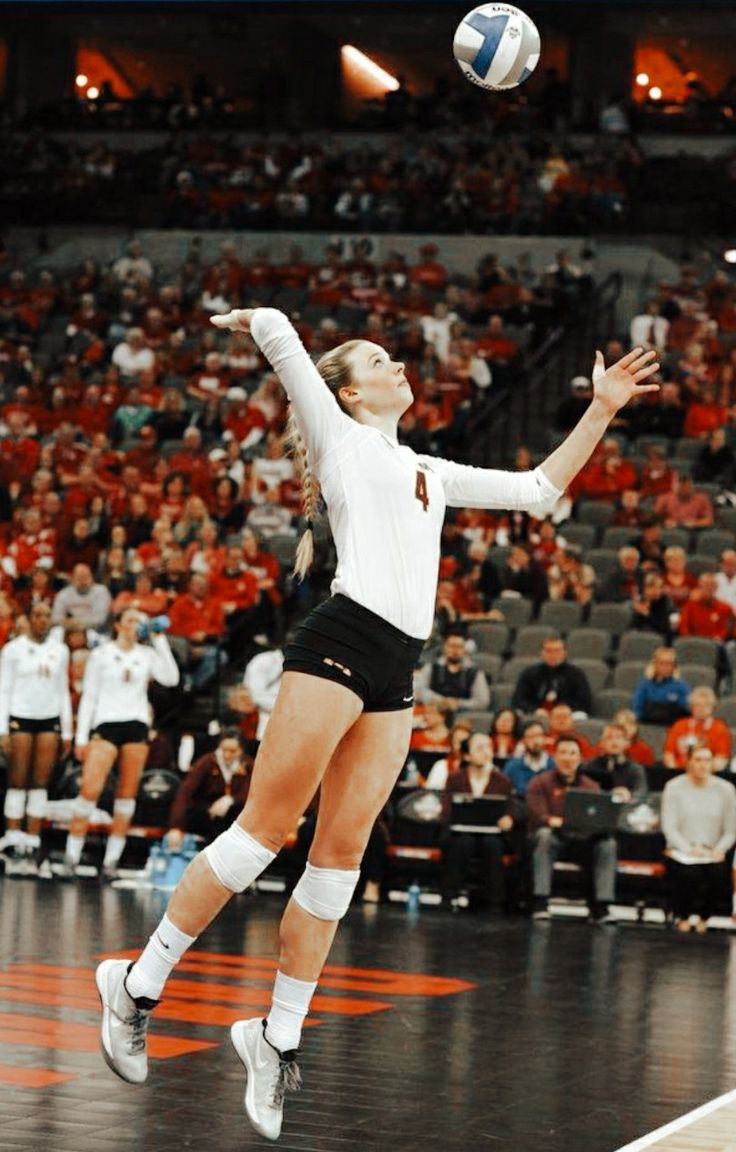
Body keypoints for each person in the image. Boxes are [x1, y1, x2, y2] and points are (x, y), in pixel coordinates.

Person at [94, 306, 658, 1140]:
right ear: (352, 392)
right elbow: (284, 343)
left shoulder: (429, 466)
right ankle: (137, 987)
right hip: (341, 640)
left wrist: (602, 407)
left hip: (398, 663)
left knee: (339, 861)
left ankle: (274, 1038)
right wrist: (262, 320)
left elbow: (541, 493)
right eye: (382, 360)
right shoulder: (340, 439)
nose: (399, 367)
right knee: (264, 833)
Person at [63, 608, 179, 878]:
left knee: (126, 795)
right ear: (117, 625)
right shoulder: (101, 655)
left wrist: (159, 639)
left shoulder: (146, 654)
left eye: (138, 621)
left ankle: (111, 862)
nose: (134, 625)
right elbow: (90, 696)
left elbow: (171, 679)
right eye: (129, 620)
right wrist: (81, 738)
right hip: (106, 724)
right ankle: (71, 856)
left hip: (135, 724)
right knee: (90, 790)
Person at [0, 602, 73, 875]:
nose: (42, 620)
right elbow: (3, 690)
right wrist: (2, 729)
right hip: (20, 716)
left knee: (40, 783)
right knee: (18, 781)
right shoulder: (12, 650)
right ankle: (13, 843)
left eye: (46, 616)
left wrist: (66, 731)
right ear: (29, 619)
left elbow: (63, 690)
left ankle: (32, 843)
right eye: (37, 615)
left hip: (49, 718)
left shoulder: (60, 650)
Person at [526, 736, 618, 924]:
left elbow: (597, 817)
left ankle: (602, 906)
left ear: (580, 758)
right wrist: (555, 821)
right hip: (554, 838)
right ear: (555, 756)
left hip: (583, 838)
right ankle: (541, 902)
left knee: (608, 844)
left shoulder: (591, 786)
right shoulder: (540, 782)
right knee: (544, 836)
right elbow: (538, 816)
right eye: (563, 753)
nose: (568, 758)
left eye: (572, 753)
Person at [661, 746, 736, 932]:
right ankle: (682, 915)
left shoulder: (726, 790)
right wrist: (688, 849)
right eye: (698, 759)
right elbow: (669, 827)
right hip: (682, 850)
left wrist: (720, 849)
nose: (703, 765)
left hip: (712, 849)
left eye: (707, 760)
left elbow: (730, 830)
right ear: (688, 762)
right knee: (688, 873)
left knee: (718, 872)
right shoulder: (674, 787)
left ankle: (704, 917)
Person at [441, 731, 514, 909]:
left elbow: (509, 809)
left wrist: (508, 819)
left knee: (493, 844)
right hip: (460, 831)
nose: (486, 752)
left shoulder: (502, 780)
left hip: (491, 832)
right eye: (480, 747)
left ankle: (494, 900)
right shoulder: (455, 778)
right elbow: (447, 809)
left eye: (489, 746)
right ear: (467, 755)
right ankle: (450, 896)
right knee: (463, 842)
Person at [167, 730, 252, 848]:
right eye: (224, 750)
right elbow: (185, 793)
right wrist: (176, 827)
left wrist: (230, 800)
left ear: (241, 750)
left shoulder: (248, 765)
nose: (227, 755)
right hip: (206, 817)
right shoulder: (206, 762)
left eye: (233, 751)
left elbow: (252, 792)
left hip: (235, 819)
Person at [511, 634, 593, 717]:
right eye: (548, 651)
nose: (553, 655)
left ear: (564, 653)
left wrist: (561, 712)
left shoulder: (576, 674)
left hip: (566, 715)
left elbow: (583, 702)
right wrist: (534, 710)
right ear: (542, 653)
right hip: (536, 714)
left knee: (580, 715)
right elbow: (519, 699)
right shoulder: (529, 673)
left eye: (557, 651)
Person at [414, 632, 490, 717]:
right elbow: (418, 690)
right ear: (444, 647)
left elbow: (482, 702)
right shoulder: (431, 667)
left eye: (459, 647)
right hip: (434, 714)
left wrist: (458, 703)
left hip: (462, 716)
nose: (455, 650)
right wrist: (442, 701)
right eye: (451, 646)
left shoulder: (475, 672)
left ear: (465, 649)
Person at [662, 686, 732, 774]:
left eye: (705, 705)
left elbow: (720, 760)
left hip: (707, 775)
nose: (701, 709)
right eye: (697, 705)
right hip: (679, 772)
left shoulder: (720, 728)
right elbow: (668, 754)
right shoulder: (679, 725)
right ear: (691, 707)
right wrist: (674, 771)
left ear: (713, 708)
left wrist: (701, 775)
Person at [582, 723, 648, 802]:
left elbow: (641, 794)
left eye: (619, 737)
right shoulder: (589, 766)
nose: (614, 741)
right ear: (601, 743)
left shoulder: (635, 769)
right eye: (609, 737)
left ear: (627, 743)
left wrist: (629, 795)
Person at [631, 647, 691, 727]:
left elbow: (685, 711)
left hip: (671, 727)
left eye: (669, 664)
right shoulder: (644, 684)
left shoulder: (681, 686)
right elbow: (637, 709)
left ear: (674, 667)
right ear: (654, 664)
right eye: (661, 663)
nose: (665, 667)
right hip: (647, 726)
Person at [503, 719, 556, 796]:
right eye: (531, 737)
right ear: (523, 740)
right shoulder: (512, 767)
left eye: (539, 735)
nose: (536, 741)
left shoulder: (555, 766)